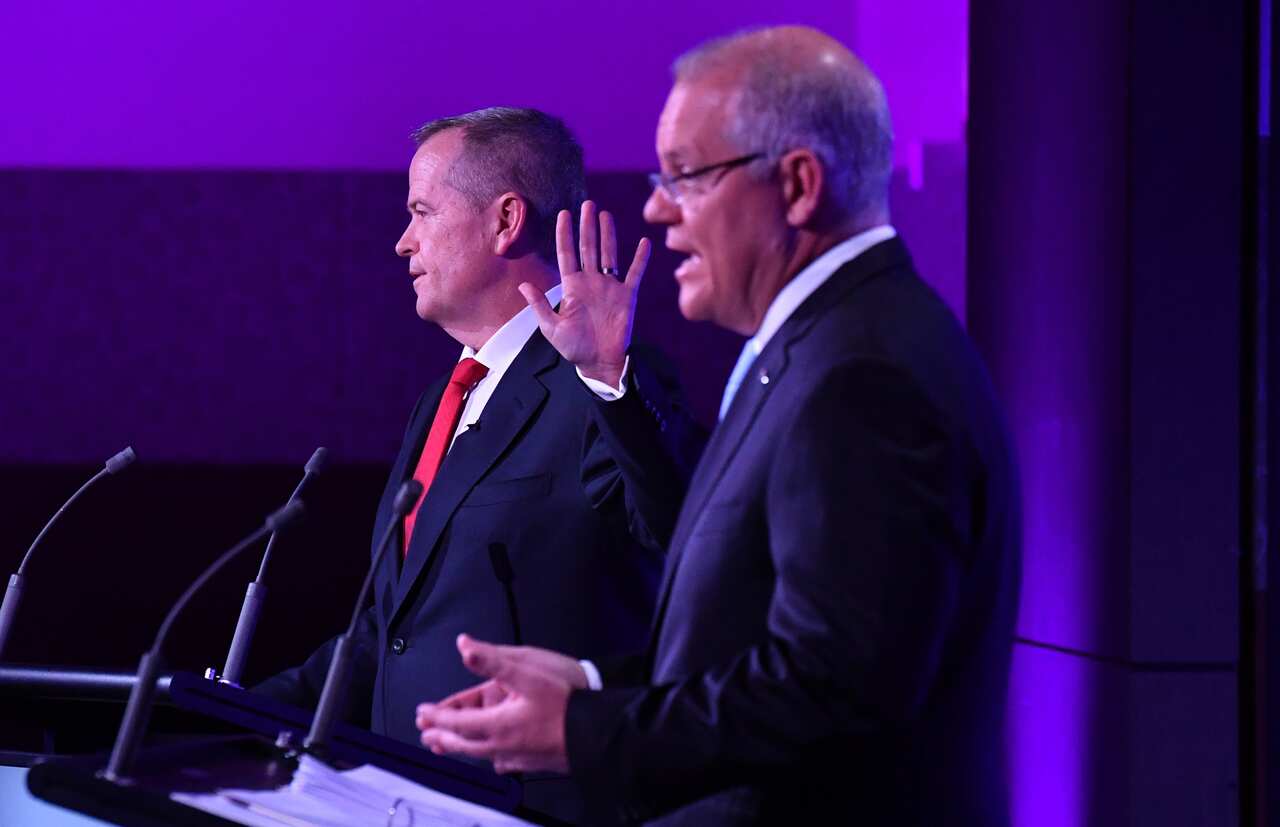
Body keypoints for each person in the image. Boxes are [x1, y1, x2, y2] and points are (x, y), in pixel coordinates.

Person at [414, 27, 1022, 827]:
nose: (659, 207)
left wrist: (585, 728)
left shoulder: (865, 374)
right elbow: (751, 642)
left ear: (799, 184)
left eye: (688, 176)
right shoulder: (826, 345)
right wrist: (593, 686)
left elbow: (831, 688)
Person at [255, 107, 698, 823]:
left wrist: (611, 378)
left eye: (422, 211)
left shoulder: (604, 382)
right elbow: (388, 634)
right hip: (407, 801)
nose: (402, 242)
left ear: (505, 220)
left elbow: (684, 535)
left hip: (538, 807)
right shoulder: (441, 400)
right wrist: (216, 707)